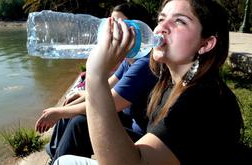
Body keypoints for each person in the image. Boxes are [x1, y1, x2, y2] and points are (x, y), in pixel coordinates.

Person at [53, 0, 244, 164]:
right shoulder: (169, 82)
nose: (161, 27)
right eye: (161, 19)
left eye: (179, 21)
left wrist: (96, 75)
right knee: (65, 159)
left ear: (206, 44)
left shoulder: (201, 99)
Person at [35, 2, 158, 164]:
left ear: (137, 28)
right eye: (111, 24)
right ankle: (55, 157)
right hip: (128, 120)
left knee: (79, 123)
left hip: (141, 136)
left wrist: (58, 112)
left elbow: (110, 102)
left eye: (119, 25)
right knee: (69, 111)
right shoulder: (130, 58)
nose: (112, 31)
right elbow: (106, 88)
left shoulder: (144, 63)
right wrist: (76, 97)